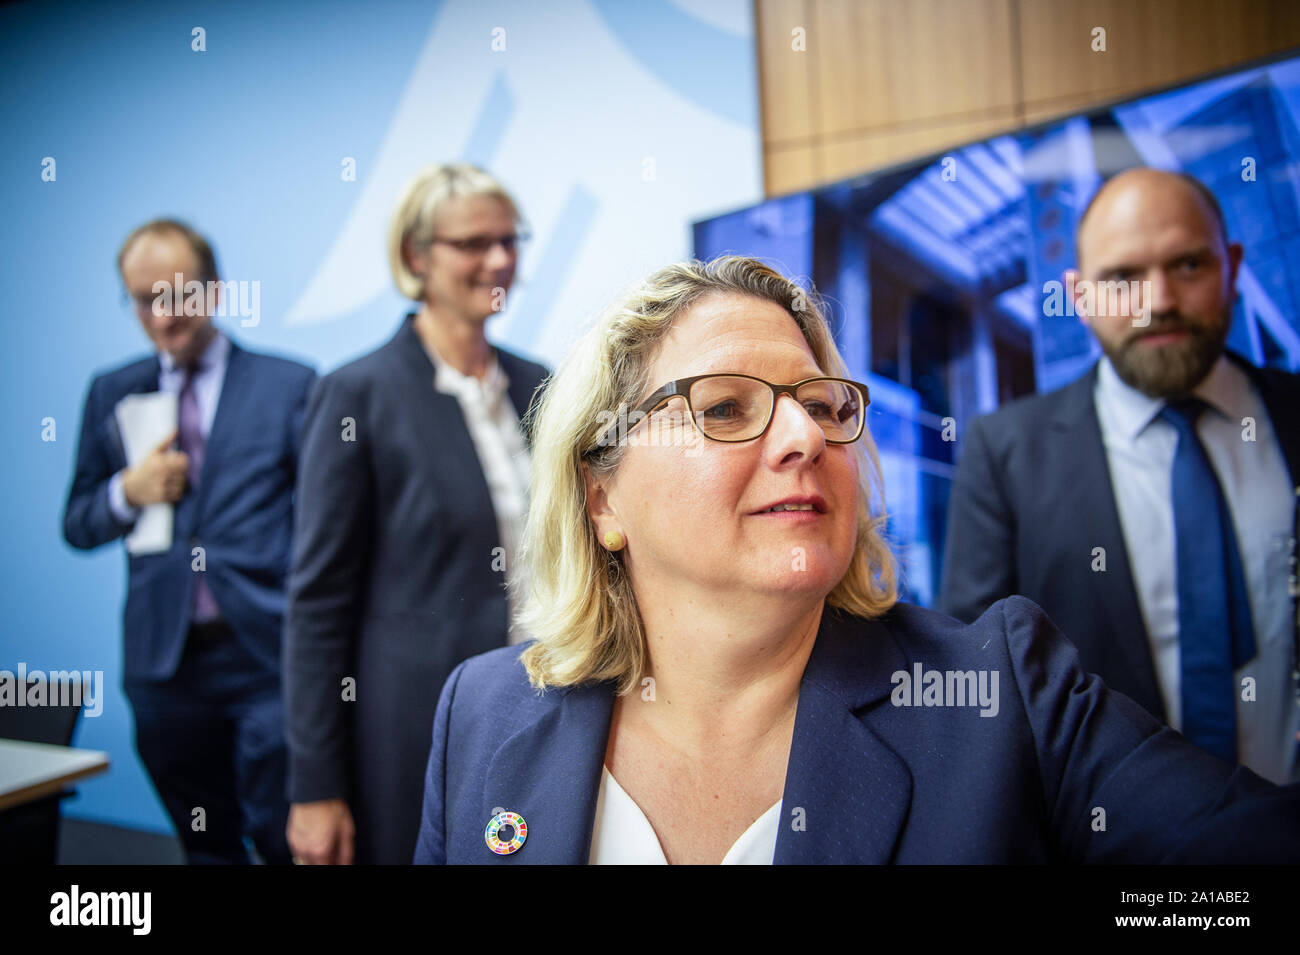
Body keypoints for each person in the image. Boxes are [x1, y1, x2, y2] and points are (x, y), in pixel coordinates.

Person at [412, 255, 1300, 864]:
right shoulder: (482, 715)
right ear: (603, 498)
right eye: (725, 408)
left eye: (825, 406)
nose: (805, 435)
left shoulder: (1005, 695)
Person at [939, 168, 1299, 785]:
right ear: (1079, 297)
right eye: (1122, 277)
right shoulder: (1005, 453)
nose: (1158, 299)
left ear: (1232, 269)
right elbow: (979, 682)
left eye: (1188, 265)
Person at [284, 164, 550, 864]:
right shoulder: (357, 394)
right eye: (473, 243)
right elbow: (317, 603)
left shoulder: (543, 386)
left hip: (545, 705)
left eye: (508, 238)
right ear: (416, 256)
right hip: (411, 730)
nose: (498, 259)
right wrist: (315, 785)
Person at [63, 219, 316, 864]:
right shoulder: (113, 391)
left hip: (265, 653)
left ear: (214, 290)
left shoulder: (289, 385)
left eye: (177, 294)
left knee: (284, 834)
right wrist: (128, 489)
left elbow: (326, 522)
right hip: (163, 662)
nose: (164, 315)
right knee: (204, 843)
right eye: (145, 299)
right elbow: (79, 522)